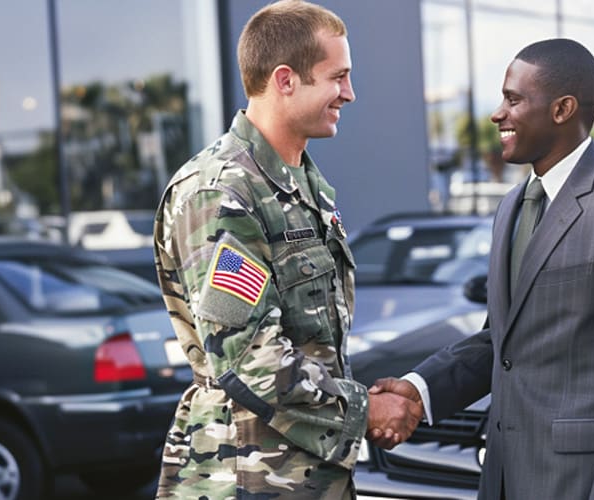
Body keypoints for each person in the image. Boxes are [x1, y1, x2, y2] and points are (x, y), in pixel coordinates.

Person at [371, 38, 594, 500]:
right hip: (503, 480)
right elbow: (504, 342)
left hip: (580, 486)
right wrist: (421, 389)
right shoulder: (512, 206)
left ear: (562, 109)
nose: (497, 114)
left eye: (513, 100)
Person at [152, 1, 421, 498]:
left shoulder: (302, 186)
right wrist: (365, 410)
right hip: (243, 476)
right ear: (285, 80)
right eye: (338, 77)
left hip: (307, 474)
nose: (349, 94)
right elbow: (248, 357)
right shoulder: (222, 193)